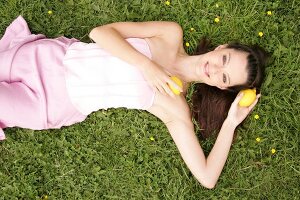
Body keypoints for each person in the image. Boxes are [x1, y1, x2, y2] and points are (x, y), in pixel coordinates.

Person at [0, 16, 268, 189]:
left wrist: (231, 122)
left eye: (224, 77)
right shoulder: (170, 35)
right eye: (224, 60)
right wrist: (147, 66)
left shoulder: (175, 107)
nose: (215, 69)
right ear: (221, 48)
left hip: (51, 104)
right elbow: (100, 33)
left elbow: (207, 178)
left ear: (222, 87)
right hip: (47, 60)